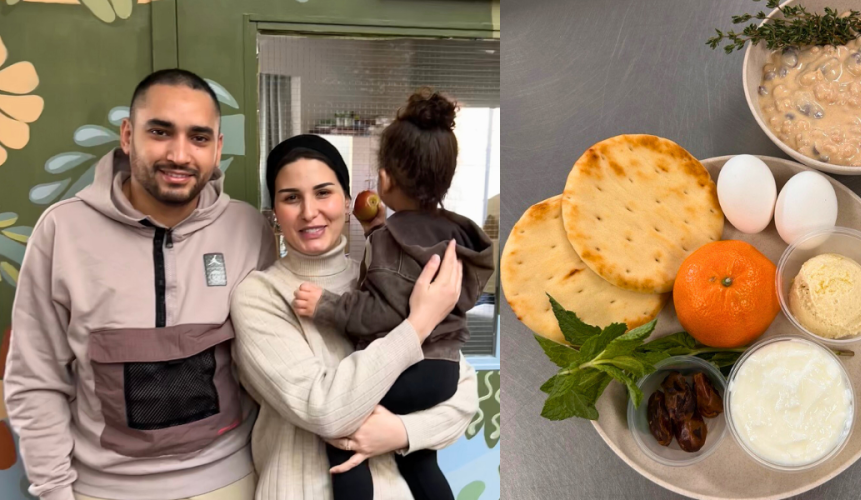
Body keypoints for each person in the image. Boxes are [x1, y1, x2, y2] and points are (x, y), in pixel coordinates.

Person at [3, 69, 275, 500]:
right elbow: (36, 379)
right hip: (103, 489)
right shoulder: (62, 231)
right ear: (128, 136)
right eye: (161, 132)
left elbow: (271, 363)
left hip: (229, 481)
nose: (180, 154)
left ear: (218, 148)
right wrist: (55, 491)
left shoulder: (248, 229)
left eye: (199, 138)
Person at [230, 131, 478, 499]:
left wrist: (402, 433)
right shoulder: (260, 295)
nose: (309, 211)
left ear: (348, 203)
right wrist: (419, 323)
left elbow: (463, 393)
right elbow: (325, 409)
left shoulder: (383, 275)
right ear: (275, 212)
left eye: (323, 192)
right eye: (291, 198)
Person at [288, 89, 493, 500]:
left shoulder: (392, 242)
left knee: (344, 424)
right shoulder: (454, 232)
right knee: (417, 458)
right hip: (445, 369)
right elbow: (408, 277)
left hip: (412, 368)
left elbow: (381, 310)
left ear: (383, 179)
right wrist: (378, 230)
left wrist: (327, 306)